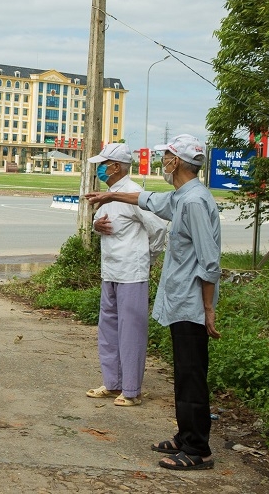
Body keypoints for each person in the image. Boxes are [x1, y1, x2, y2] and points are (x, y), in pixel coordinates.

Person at [85, 134, 221, 471]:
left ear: (177, 162)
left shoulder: (192, 202)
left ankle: (197, 450)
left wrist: (208, 309)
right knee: (184, 370)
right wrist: (111, 194)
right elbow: (148, 200)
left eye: (167, 157)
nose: (163, 162)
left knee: (191, 374)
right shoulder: (182, 197)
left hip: (191, 302)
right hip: (181, 300)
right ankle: (185, 435)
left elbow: (209, 261)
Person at [85, 143, 167, 407]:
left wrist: (146, 258)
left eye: (103, 164)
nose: (100, 169)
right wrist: (96, 225)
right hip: (110, 271)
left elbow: (159, 230)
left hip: (132, 273)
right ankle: (112, 383)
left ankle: (131, 390)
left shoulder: (134, 194)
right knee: (108, 329)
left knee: (131, 331)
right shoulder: (109, 194)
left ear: (116, 166)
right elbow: (102, 224)